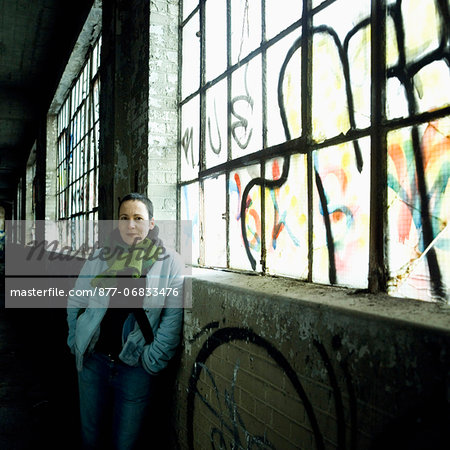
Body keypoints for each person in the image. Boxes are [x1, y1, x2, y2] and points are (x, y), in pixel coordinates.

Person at [67, 193, 184, 449]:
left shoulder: (169, 262)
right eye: (124, 218)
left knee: (126, 442)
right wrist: (75, 339)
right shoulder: (100, 257)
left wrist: (150, 361)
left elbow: (172, 321)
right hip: (93, 360)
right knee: (91, 437)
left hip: (135, 366)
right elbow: (76, 300)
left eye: (138, 218)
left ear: (151, 223)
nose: (130, 225)